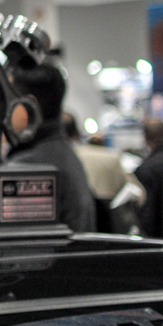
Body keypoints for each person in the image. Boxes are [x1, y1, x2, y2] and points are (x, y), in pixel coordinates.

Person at [8, 63, 96, 232]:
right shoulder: (59, 153)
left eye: (8, 101)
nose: (2, 110)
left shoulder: (31, 165)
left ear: (29, 105)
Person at [64, 114, 142, 234]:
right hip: (110, 235)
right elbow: (139, 195)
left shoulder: (51, 161)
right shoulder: (110, 158)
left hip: (71, 234)